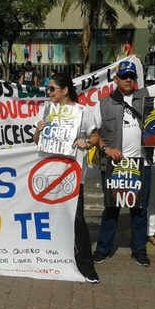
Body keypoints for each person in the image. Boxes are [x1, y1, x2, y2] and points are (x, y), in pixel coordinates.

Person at [92, 35, 155, 267]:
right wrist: (107, 148)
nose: (128, 79)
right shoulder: (103, 103)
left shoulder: (146, 96)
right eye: (124, 76)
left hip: (141, 165)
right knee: (111, 210)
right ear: (115, 79)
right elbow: (94, 134)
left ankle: (139, 251)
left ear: (135, 79)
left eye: (131, 76)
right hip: (115, 166)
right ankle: (103, 249)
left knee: (139, 211)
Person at [33, 73, 100, 283]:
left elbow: (95, 137)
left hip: (72, 174)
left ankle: (85, 266)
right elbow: (35, 140)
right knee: (50, 217)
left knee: (77, 219)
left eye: (53, 89)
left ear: (65, 90)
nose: (49, 93)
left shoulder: (83, 112)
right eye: (48, 89)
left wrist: (87, 143)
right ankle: (53, 258)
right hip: (49, 173)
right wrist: (38, 130)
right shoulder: (46, 110)